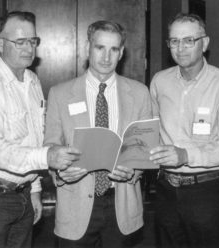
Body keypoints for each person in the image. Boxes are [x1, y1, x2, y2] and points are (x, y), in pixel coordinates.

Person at [0, 11, 73, 248]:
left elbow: (31, 139)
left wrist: (34, 189)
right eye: (20, 41)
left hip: (21, 194)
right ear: (0, 44)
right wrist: (47, 157)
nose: (29, 48)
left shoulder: (32, 80)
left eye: (33, 41)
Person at [44, 20, 152, 247]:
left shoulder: (140, 94)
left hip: (121, 204)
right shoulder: (60, 94)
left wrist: (134, 170)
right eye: (99, 47)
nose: (106, 57)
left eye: (114, 49)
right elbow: (51, 146)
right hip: (75, 204)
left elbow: (145, 149)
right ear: (87, 48)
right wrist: (61, 172)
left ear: (121, 53)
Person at [149, 13, 219, 248]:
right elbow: (149, 131)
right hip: (166, 191)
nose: (180, 48)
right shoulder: (159, 81)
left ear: (205, 43)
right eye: (174, 41)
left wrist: (185, 156)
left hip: (207, 194)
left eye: (189, 40)